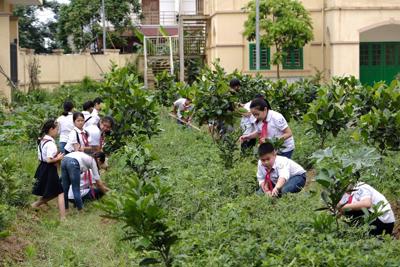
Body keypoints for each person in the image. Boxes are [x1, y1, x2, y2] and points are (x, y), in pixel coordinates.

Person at [31, 119, 66, 220]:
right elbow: (49, 160)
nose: (57, 132)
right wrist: (58, 158)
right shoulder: (50, 143)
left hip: (42, 167)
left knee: (54, 191)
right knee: (59, 192)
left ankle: (34, 205)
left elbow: (42, 158)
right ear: (51, 129)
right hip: (49, 168)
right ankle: (63, 218)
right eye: (57, 129)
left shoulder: (42, 140)